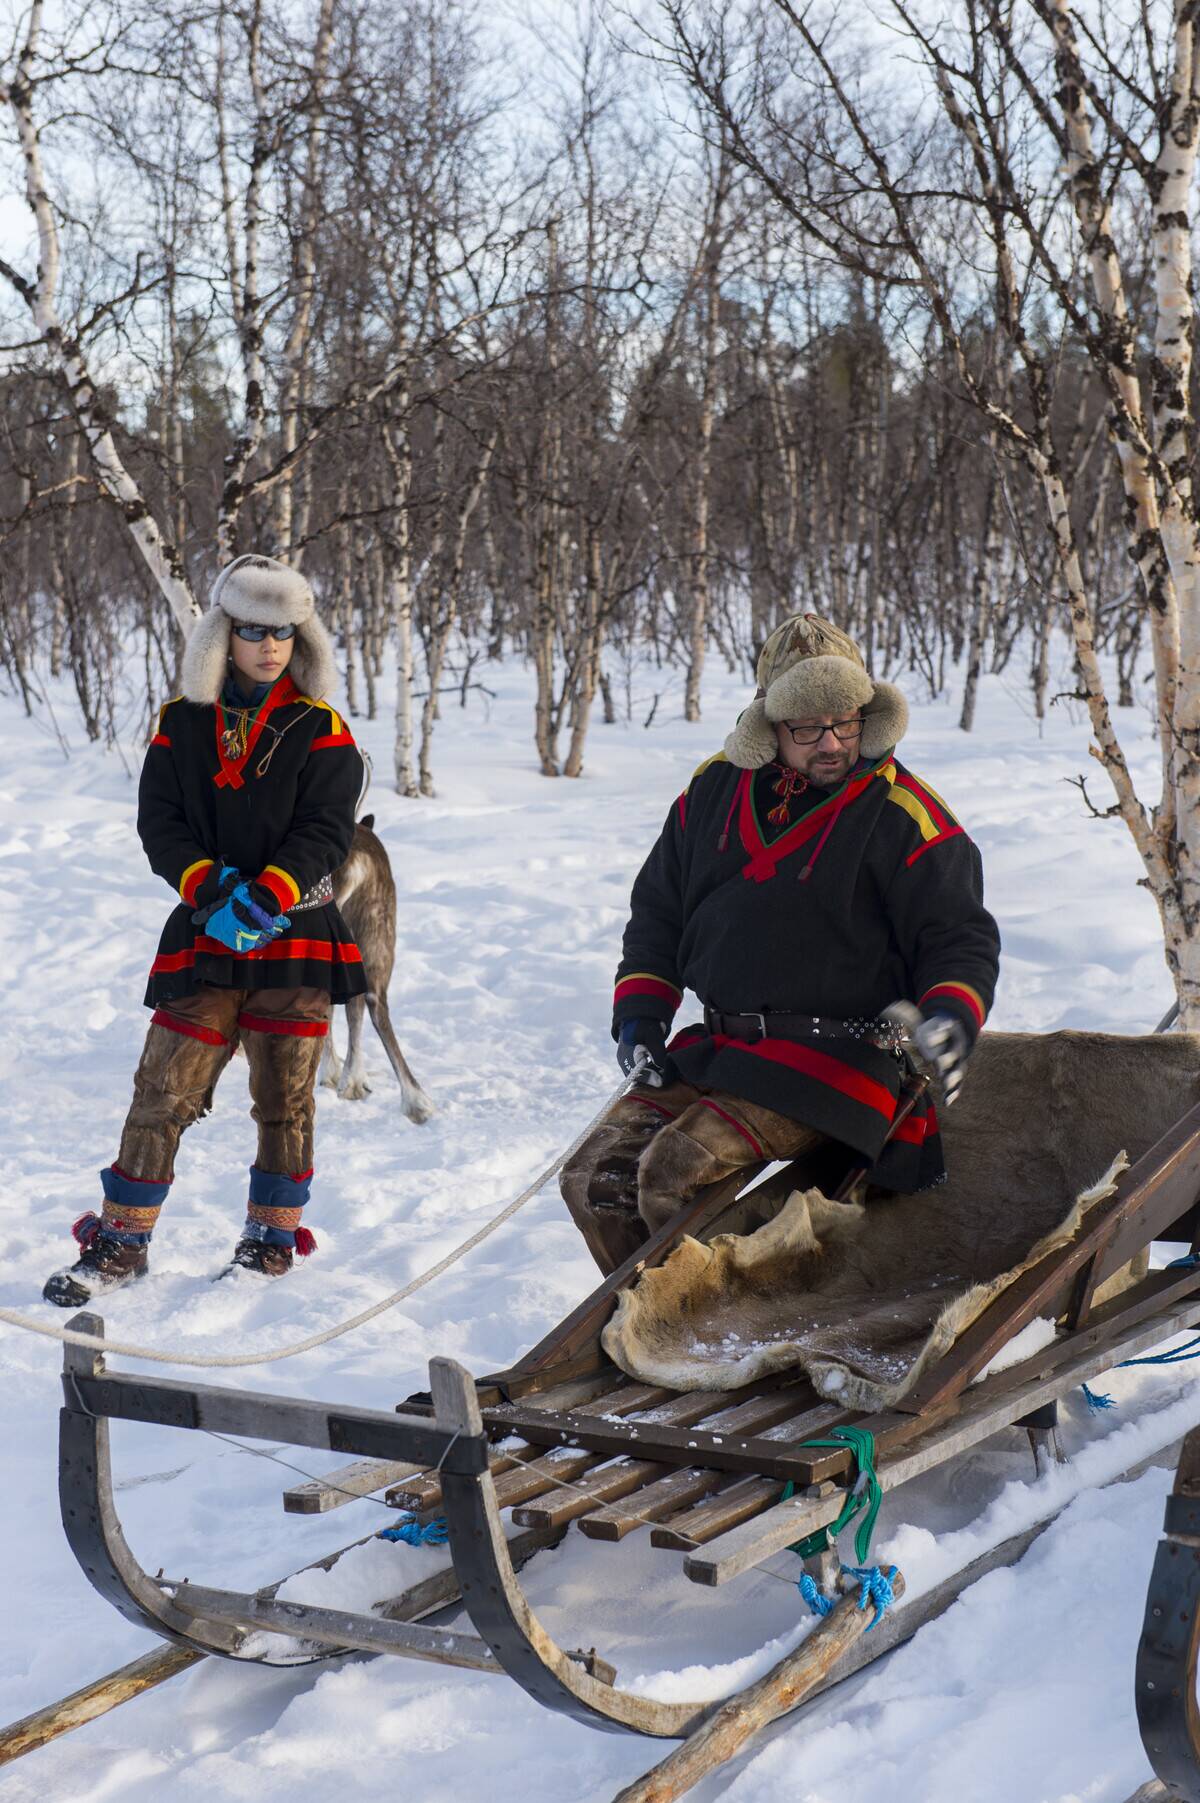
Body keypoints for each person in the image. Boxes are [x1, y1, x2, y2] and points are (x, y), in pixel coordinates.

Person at [560, 611, 1001, 1274]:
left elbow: (959, 935)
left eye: (846, 721)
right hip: (724, 1050)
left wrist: (948, 1016)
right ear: (769, 727)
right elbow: (658, 914)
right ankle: (649, 1323)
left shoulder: (904, 813)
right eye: (807, 727)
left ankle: (703, 1332)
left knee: (671, 1173)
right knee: (594, 1177)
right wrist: (640, 1018)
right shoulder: (712, 790)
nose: (831, 743)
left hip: (841, 1059)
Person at [42, 554, 368, 1305]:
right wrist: (211, 888)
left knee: (285, 1096)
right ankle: (121, 1242)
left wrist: (269, 895)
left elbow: (327, 830)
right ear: (224, 633)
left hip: (295, 933)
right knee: (162, 1086)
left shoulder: (322, 727)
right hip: (206, 930)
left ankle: (271, 1238)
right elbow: (160, 821)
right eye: (256, 631)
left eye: (286, 632)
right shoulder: (181, 721)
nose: (271, 647)